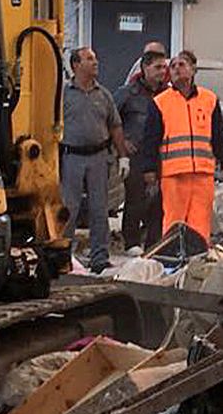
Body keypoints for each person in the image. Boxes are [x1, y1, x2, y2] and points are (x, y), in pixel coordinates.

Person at [147, 50, 223, 250]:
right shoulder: (161, 102)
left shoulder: (209, 99)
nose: (177, 69)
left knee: (200, 222)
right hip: (174, 173)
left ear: (193, 70)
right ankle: (172, 258)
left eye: (182, 64)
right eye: (173, 66)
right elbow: (151, 139)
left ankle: (197, 259)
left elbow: (218, 135)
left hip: (202, 174)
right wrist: (149, 169)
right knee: (173, 221)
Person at [60, 46, 126, 273]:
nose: (95, 62)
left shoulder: (104, 95)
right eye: (89, 59)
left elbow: (115, 126)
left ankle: (99, 257)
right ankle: (62, 256)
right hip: (72, 158)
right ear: (76, 65)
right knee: (69, 208)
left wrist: (123, 156)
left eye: (95, 58)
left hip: (98, 157)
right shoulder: (63, 95)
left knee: (100, 209)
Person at [117, 48, 168, 251]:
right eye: (157, 67)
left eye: (164, 67)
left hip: (160, 155)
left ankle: (154, 243)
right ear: (145, 68)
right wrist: (122, 143)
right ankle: (131, 242)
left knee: (158, 202)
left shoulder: (167, 95)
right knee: (136, 200)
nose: (162, 71)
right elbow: (111, 120)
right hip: (136, 155)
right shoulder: (127, 94)